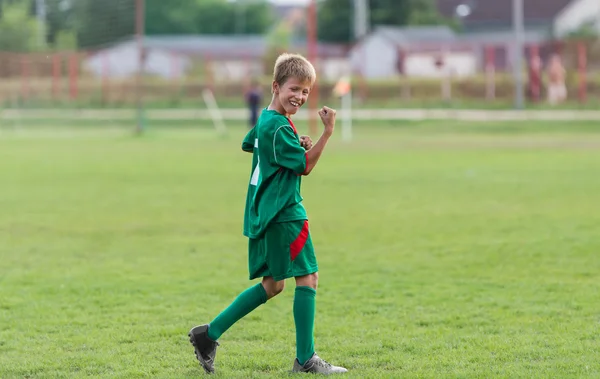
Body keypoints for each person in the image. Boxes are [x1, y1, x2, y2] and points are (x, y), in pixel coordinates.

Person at [188, 53, 347, 375]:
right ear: (276, 86)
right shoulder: (277, 126)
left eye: (305, 91)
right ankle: (306, 360)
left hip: (266, 210)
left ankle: (208, 334)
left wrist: (295, 140)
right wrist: (326, 133)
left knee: (274, 285)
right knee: (308, 278)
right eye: (294, 89)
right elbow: (305, 167)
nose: (300, 97)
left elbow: (251, 143)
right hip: (285, 211)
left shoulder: (266, 119)